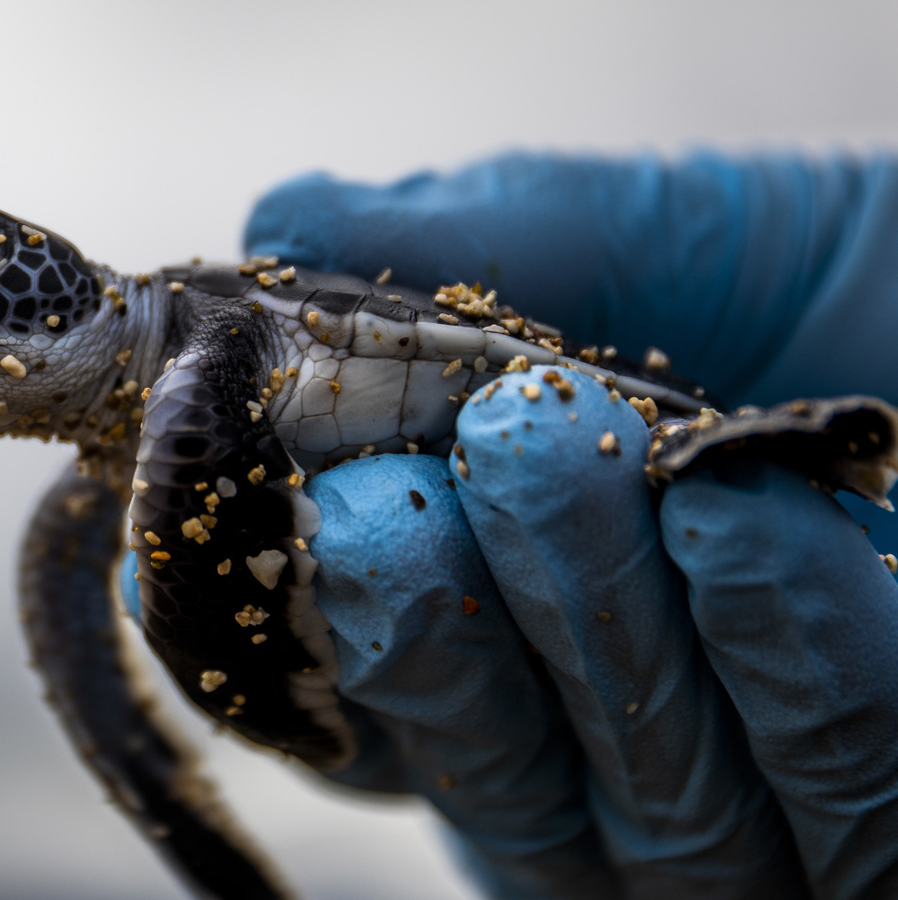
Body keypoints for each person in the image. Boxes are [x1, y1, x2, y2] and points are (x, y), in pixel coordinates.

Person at [135, 155, 898, 899]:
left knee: (667, 476)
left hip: (545, 402)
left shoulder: (190, 373)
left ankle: (796, 448)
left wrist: (256, 685)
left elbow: (193, 525)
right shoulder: (123, 437)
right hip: (523, 493)